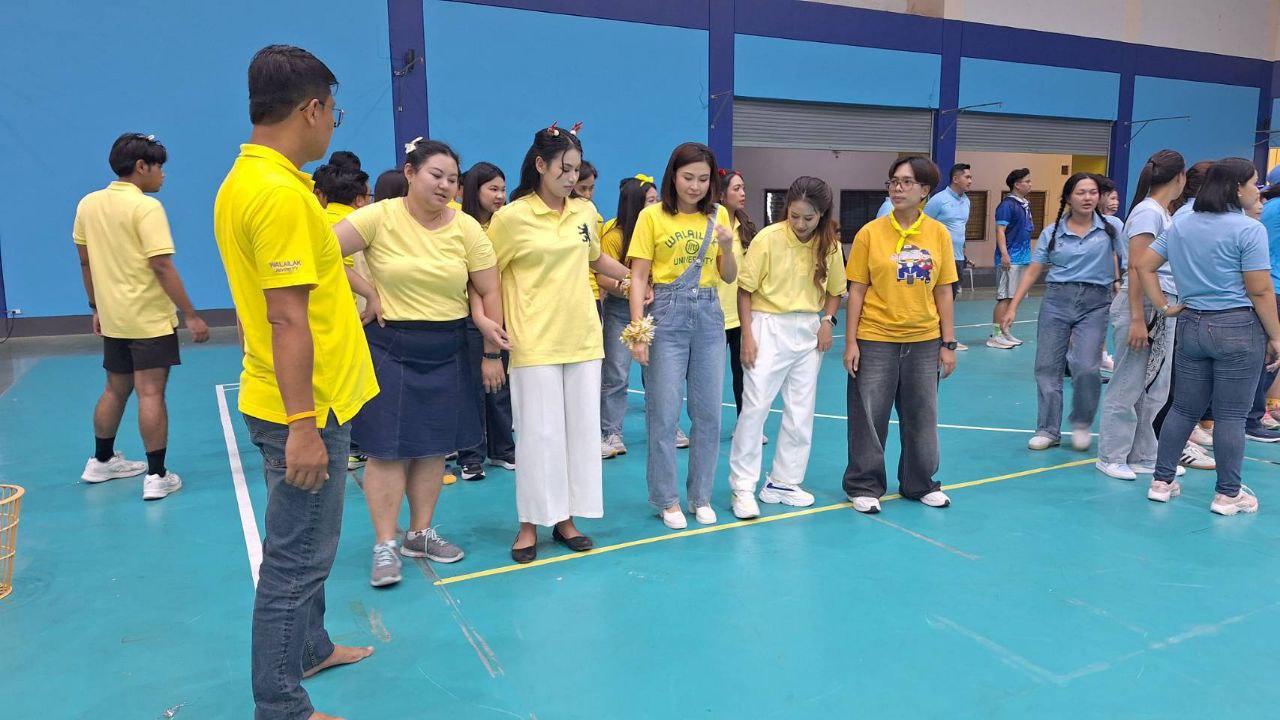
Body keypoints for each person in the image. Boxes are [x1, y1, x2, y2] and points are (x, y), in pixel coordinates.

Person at [213, 44, 378, 720]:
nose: (334, 123)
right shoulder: (278, 194)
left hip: (294, 395)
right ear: (312, 109)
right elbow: (286, 318)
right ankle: (281, 706)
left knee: (308, 549)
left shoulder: (250, 180)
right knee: (296, 561)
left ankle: (311, 647)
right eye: (334, 111)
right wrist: (303, 425)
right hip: (302, 408)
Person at [334, 138, 507, 586]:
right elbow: (321, 250)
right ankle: (385, 545)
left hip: (447, 345)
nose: (445, 185)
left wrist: (491, 349)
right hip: (389, 345)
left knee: (433, 447)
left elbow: (489, 288)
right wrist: (368, 291)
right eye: (436, 175)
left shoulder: (466, 228)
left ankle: (420, 533)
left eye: (453, 179)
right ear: (410, 173)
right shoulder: (379, 216)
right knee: (387, 450)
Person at [487, 125, 631, 563]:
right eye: (564, 169)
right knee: (537, 437)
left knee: (579, 436)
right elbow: (485, 277)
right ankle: (529, 524)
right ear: (540, 165)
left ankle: (566, 519)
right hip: (533, 342)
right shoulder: (511, 218)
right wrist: (489, 337)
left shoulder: (585, 212)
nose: (571, 178)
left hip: (583, 339)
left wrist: (635, 277)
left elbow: (595, 259)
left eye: (576, 170)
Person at [1134, 157, 1280, 515]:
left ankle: (1162, 481)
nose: (1258, 190)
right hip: (1237, 328)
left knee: (1183, 408)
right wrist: (1276, 336)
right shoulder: (1248, 229)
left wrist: (1164, 306)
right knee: (1231, 416)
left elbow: (1144, 264)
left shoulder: (1182, 223)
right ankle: (1228, 494)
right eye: (1254, 183)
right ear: (1236, 188)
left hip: (1191, 324)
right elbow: (1260, 289)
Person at [75, 131, 210, 499]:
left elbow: (85, 262)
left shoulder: (88, 204)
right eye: (159, 166)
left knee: (115, 388)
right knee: (150, 393)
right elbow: (161, 265)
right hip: (149, 319)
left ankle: (101, 461)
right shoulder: (147, 208)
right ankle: (157, 476)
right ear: (140, 166)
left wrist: (96, 307)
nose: (163, 174)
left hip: (114, 318)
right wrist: (191, 314)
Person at [627, 142, 737, 529]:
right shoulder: (652, 217)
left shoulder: (719, 214)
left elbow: (728, 276)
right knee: (664, 412)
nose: (695, 186)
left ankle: (700, 496)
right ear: (673, 176)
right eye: (688, 177)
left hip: (708, 314)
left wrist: (728, 247)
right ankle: (667, 499)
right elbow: (638, 276)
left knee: (708, 413)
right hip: (666, 313)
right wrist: (638, 331)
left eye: (703, 179)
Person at [842, 156, 957, 514]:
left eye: (907, 182)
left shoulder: (938, 234)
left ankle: (920, 483)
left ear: (925, 190)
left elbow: (944, 290)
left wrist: (948, 343)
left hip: (924, 340)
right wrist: (851, 342)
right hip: (876, 337)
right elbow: (857, 290)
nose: (898, 188)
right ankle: (864, 485)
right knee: (869, 417)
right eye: (893, 181)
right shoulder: (870, 233)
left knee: (922, 416)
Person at [727, 176, 844, 519]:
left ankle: (783, 481)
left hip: (808, 330)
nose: (800, 224)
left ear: (822, 214)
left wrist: (827, 322)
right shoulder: (768, 238)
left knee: (801, 410)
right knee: (755, 408)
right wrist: (748, 336)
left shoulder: (830, 245)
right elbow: (745, 290)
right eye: (794, 216)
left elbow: (835, 291)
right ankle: (742, 486)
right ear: (786, 209)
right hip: (767, 326)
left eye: (809, 218)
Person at [1000, 173, 1125, 451]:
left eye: (1093, 192)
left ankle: (1081, 421)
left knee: (1087, 366)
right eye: (1081, 192)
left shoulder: (1111, 228)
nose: (1088, 197)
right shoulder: (1052, 231)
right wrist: (1013, 306)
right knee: (1047, 367)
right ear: (1068, 197)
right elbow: (1034, 269)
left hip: (1095, 303)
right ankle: (1047, 429)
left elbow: (1126, 262)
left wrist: (1122, 291)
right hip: (1056, 301)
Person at [1096, 150, 1186, 481]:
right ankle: (1111, 455)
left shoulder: (1161, 212)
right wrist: (1137, 318)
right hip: (1145, 304)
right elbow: (1136, 267)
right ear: (1179, 177)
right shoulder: (1148, 213)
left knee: (1154, 386)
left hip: (1161, 303)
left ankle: (1143, 454)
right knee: (1128, 382)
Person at [456, 161, 517, 480]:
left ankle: (503, 449)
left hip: (501, 313)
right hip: (468, 317)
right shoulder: (462, 226)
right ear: (473, 190)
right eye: (492, 189)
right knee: (472, 387)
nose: (500, 196)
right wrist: (478, 315)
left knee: (499, 385)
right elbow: (473, 281)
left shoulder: (504, 225)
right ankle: (470, 455)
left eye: (503, 189)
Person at [598, 175, 659, 458]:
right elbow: (603, 277)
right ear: (635, 204)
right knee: (616, 374)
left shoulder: (658, 231)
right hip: (620, 312)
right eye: (650, 201)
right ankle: (611, 431)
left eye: (657, 200)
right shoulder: (614, 236)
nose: (656, 205)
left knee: (658, 374)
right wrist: (632, 288)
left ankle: (665, 428)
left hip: (654, 310)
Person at [718, 169, 759, 419]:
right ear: (721, 195)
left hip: (742, 314)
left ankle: (745, 425)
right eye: (736, 189)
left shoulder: (746, 226)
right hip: (715, 315)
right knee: (709, 377)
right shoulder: (712, 225)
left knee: (744, 374)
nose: (743, 193)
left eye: (743, 188)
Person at [988, 168, 1032, 349]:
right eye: (1027, 181)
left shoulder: (1024, 204)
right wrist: (1005, 254)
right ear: (1017, 184)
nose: (1030, 184)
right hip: (1010, 258)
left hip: (1022, 258)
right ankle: (996, 336)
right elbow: (1000, 231)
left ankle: (1005, 331)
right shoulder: (1007, 205)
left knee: (1014, 298)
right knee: (1004, 298)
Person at [924, 163, 972, 312]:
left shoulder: (967, 201)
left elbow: (961, 229)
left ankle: (945, 327)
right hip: (940, 257)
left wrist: (964, 252)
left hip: (958, 259)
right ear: (955, 179)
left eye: (971, 177)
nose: (970, 181)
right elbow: (922, 225)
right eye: (967, 177)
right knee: (938, 298)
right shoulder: (938, 200)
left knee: (951, 298)